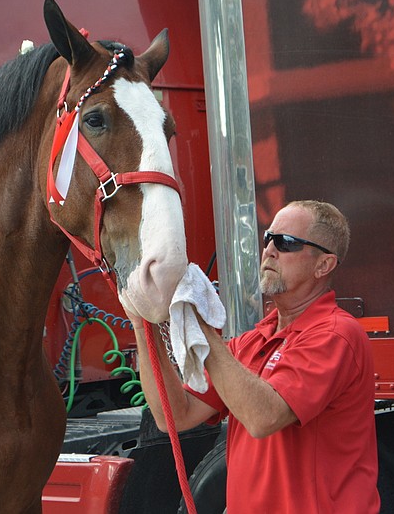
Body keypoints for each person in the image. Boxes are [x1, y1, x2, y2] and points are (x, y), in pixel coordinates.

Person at [129, 200, 380, 513]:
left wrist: (202, 328)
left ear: (324, 265)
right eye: (268, 239)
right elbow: (174, 417)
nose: (270, 251)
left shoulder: (335, 334)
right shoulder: (251, 343)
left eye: (287, 243)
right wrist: (143, 324)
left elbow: (265, 418)